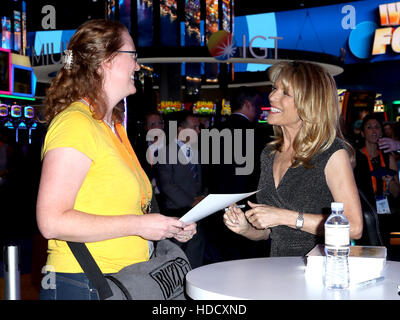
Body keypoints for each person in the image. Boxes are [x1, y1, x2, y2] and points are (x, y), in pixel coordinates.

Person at [36, 19, 196, 300]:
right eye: (132, 56)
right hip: (83, 283)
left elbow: (124, 206)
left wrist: (166, 226)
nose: (137, 66)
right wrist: (140, 225)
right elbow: (51, 220)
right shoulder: (76, 123)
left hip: (122, 280)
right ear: (106, 61)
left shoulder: (114, 126)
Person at [223, 61, 363, 257]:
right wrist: (246, 228)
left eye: (285, 93)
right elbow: (271, 232)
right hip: (278, 270)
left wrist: (284, 216)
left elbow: (354, 226)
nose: (272, 96)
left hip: (320, 273)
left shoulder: (331, 152)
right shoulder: (269, 154)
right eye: (274, 88)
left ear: (309, 104)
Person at [203, 86, 272, 263]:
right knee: (247, 261)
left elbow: (207, 171)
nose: (258, 111)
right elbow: (262, 174)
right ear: (248, 105)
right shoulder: (259, 133)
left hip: (215, 208)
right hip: (248, 208)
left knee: (219, 261)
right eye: (256, 106)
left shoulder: (212, 132)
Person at [155, 111, 207, 268]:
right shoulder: (165, 152)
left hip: (197, 213)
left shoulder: (197, 150)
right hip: (176, 212)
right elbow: (167, 186)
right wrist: (192, 202)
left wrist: (203, 197)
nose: (198, 131)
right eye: (195, 127)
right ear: (180, 129)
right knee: (177, 259)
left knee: (196, 256)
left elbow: (202, 180)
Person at [353, 114, 400, 213]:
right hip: (363, 211)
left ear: (381, 132)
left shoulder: (388, 157)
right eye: (369, 127)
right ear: (362, 133)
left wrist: (390, 182)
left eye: (377, 127)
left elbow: (396, 194)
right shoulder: (354, 157)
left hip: (386, 210)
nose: (374, 130)